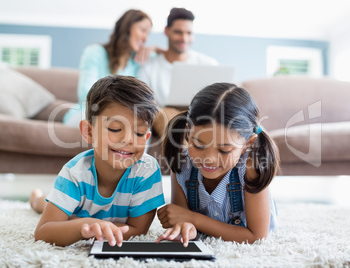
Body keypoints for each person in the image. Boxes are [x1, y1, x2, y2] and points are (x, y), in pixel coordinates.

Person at [32, 75, 165, 247]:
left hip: (78, 214)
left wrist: (88, 227)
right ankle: (35, 198)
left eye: (139, 133)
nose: (128, 139)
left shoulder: (147, 171)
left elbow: (137, 231)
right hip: (73, 207)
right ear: (88, 131)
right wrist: (82, 225)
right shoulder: (74, 173)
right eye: (115, 129)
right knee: (44, 204)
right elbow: (43, 232)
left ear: (147, 137)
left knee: (64, 214)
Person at [155, 82, 279, 247]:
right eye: (198, 145)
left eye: (224, 150)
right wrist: (185, 227)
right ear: (187, 133)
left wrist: (193, 219)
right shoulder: (182, 163)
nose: (209, 159)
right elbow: (182, 219)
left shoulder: (251, 168)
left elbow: (256, 236)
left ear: (247, 144)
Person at [64, 9, 162, 128]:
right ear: (127, 27)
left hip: (125, 115)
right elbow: (85, 93)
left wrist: (155, 48)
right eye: (143, 30)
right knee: (114, 123)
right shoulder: (95, 52)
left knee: (143, 124)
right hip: (88, 112)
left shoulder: (137, 61)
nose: (145, 38)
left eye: (148, 33)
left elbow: (169, 56)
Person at [137, 7, 218, 137]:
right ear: (166, 31)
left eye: (189, 33)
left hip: (201, 115)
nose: (184, 38)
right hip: (165, 115)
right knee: (166, 114)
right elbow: (142, 104)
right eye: (178, 32)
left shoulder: (208, 64)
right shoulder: (149, 67)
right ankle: (182, 151)